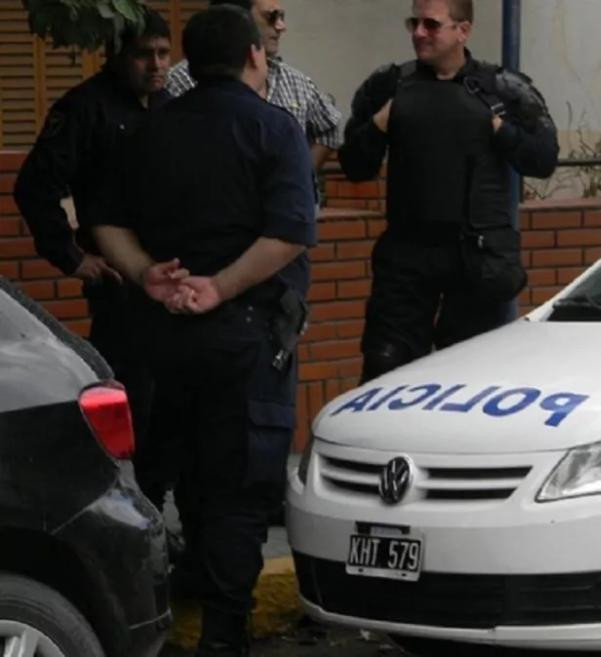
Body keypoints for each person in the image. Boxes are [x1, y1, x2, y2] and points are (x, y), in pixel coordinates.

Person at [93, 6, 316, 655]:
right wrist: (219, 286)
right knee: (240, 489)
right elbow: (289, 234)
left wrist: (146, 274)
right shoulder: (275, 130)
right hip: (246, 339)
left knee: (182, 474)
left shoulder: (149, 130)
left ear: (188, 63)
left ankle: (177, 604)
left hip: (164, 335)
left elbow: (103, 221)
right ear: (254, 56)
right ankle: (224, 630)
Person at [340, 0, 559, 382]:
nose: (419, 33)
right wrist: (381, 123)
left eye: (432, 25)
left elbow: (543, 160)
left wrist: (498, 129)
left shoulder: (502, 89)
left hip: (476, 259)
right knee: (386, 370)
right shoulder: (390, 85)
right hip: (407, 257)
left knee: (472, 378)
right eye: (414, 23)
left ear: (463, 30)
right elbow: (354, 166)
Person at [14, 10, 172, 506]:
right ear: (117, 56)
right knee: (132, 407)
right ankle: (131, 511)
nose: (155, 65)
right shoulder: (85, 108)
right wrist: (73, 258)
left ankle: (161, 509)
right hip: (120, 289)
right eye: (144, 55)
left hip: (173, 285)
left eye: (164, 54)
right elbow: (35, 186)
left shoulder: (174, 108)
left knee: (173, 411)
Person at [166, 0, 341, 169]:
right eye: (271, 17)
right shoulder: (180, 81)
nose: (281, 27)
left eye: (282, 17)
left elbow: (329, 129)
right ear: (237, 18)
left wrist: (300, 175)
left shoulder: (295, 81)